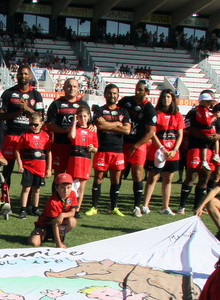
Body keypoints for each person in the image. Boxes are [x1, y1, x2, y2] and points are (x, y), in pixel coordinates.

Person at [85, 84, 131, 217]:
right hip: (102, 149)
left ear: (118, 95)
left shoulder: (123, 112)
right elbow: (99, 125)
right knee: (98, 178)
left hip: (117, 150)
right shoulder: (99, 110)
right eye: (110, 93)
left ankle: (114, 207)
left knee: (116, 179)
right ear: (105, 95)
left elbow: (127, 130)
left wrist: (108, 125)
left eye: (115, 93)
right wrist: (117, 124)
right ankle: (94, 207)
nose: (112, 96)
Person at [178, 91, 220, 214]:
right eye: (208, 101)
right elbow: (190, 128)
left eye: (211, 102)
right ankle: (182, 206)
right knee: (191, 175)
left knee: (205, 176)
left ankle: (197, 207)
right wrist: (205, 137)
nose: (210, 104)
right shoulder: (193, 112)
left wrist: (218, 136)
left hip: (210, 149)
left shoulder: (213, 114)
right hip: (195, 147)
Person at [0, 65, 44, 187]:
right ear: (16, 75)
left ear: (29, 76)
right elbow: (1, 116)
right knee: (7, 169)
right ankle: (5, 198)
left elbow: (41, 116)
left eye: (25, 74)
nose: (22, 76)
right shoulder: (8, 93)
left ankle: (28, 203)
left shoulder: (36, 95)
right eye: (20, 74)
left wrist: (26, 108)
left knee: (29, 169)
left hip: (29, 137)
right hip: (12, 136)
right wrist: (18, 112)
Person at [118, 80, 156, 217]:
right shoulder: (126, 101)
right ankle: (114, 205)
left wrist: (135, 146)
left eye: (141, 89)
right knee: (118, 172)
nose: (137, 91)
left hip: (138, 144)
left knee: (137, 173)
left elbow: (150, 132)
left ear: (147, 92)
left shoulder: (149, 108)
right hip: (123, 142)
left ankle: (136, 206)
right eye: (136, 88)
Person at [45, 78, 89, 175]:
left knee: (76, 175)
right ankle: (56, 191)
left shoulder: (83, 104)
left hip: (78, 146)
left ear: (78, 89)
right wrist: (65, 131)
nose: (71, 89)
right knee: (59, 175)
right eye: (69, 86)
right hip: (61, 144)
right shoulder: (56, 104)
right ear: (64, 88)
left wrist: (92, 126)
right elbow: (49, 124)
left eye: (74, 86)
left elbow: (89, 124)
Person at [15, 112, 52, 219]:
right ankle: (23, 209)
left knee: (37, 189)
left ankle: (35, 208)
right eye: (31, 124)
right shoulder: (25, 135)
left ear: (42, 124)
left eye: (35, 124)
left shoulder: (45, 136)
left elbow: (49, 152)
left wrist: (49, 169)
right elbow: (17, 150)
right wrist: (20, 164)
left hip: (40, 167)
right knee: (26, 188)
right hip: (28, 167)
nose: (33, 127)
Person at [29, 173, 78, 249]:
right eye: (62, 187)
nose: (66, 191)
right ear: (56, 187)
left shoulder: (72, 194)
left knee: (72, 221)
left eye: (68, 187)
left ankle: (59, 236)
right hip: (46, 225)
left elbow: (73, 212)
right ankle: (45, 235)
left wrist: (62, 215)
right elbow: (54, 223)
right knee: (34, 243)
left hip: (60, 222)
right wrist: (58, 244)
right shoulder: (52, 202)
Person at [65, 105, 97, 215]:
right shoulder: (74, 128)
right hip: (74, 160)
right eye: (79, 116)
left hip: (85, 160)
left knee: (82, 187)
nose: (82, 119)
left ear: (88, 116)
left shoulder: (92, 131)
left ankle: (77, 209)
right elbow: (72, 136)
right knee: (71, 185)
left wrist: (92, 148)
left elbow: (96, 149)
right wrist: (74, 122)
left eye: (84, 116)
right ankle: (70, 207)